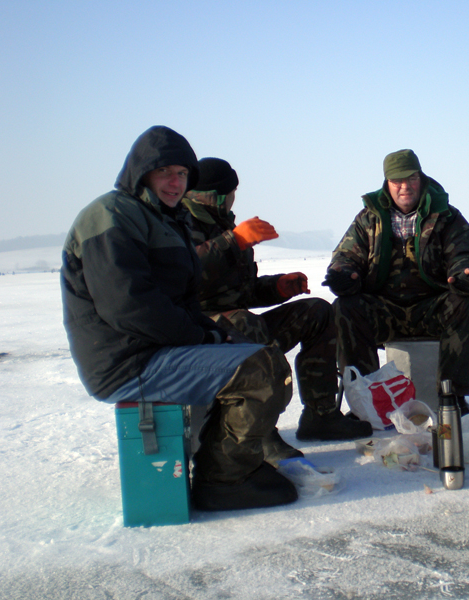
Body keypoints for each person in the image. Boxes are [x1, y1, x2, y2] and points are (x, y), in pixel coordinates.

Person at [61, 126, 298, 512]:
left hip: (157, 349)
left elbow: (184, 301)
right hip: (128, 361)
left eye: (182, 174)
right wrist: (204, 338)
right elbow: (129, 307)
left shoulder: (165, 220)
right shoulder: (110, 216)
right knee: (258, 369)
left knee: (259, 355)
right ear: (141, 173)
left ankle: (231, 463)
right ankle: (223, 480)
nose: (175, 183)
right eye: (165, 172)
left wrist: (213, 333)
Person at [180, 157, 372, 463]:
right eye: (232, 193)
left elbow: (239, 291)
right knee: (243, 323)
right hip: (197, 330)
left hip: (234, 323)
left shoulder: (223, 225)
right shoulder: (178, 222)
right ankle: (260, 433)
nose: (234, 199)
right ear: (218, 195)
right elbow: (184, 272)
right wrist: (233, 241)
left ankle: (320, 416)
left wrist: (277, 287)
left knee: (318, 311)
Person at [324, 149, 469, 412]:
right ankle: (366, 402)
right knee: (345, 308)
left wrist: (464, 273)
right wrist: (344, 274)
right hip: (385, 309)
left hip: (432, 308)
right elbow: (346, 255)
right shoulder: (368, 218)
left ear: (421, 178)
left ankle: (452, 397)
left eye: (411, 178)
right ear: (387, 183)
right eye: (397, 181)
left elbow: (464, 254)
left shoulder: (446, 215)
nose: (405, 187)